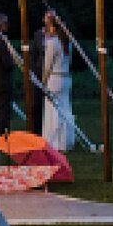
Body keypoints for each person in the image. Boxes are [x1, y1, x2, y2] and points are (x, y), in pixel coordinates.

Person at [34, 10, 77, 153]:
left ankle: (54, 141)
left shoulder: (52, 43)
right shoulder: (67, 43)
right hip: (65, 78)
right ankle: (66, 140)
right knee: (65, 108)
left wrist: (43, 82)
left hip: (54, 78)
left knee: (53, 111)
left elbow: (47, 66)